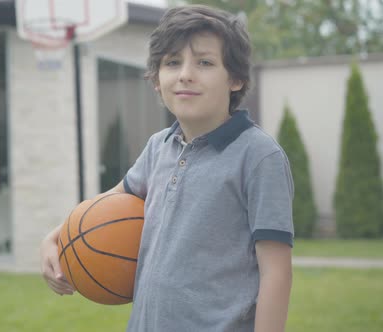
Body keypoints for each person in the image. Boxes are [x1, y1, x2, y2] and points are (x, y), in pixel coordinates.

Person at [40, 5, 294, 332]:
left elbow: (276, 272)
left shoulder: (258, 156)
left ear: (236, 78)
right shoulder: (158, 147)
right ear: (157, 80)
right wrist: (55, 237)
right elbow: (109, 202)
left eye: (204, 62)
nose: (185, 74)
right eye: (172, 62)